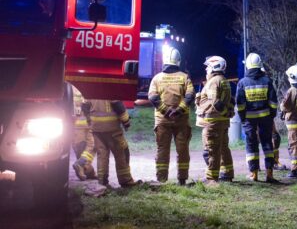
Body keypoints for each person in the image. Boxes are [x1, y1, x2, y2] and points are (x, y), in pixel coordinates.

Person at [148, 47, 195, 185]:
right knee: (183, 150)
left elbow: (152, 97)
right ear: (178, 61)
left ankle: (162, 180)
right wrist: (179, 110)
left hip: (163, 120)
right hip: (181, 121)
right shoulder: (184, 77)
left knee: (162, 150)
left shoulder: (157, 78)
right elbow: (190, 95)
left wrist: (166, 111)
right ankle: (182, 180)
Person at [236, 53, 278, 182]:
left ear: (248, 66)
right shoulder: (267, 80)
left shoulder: (243, 82)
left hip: (249, 119)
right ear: (260, 65)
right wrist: (272, 114)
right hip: (265, 117)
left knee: (251, 145)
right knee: (267, 144)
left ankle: (254, 174)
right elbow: (273, 101)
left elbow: (240, 104)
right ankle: (269, 174)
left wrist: (243, 117)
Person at [195, 56, 234, 183]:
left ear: (214, 67)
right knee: (223, 148)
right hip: (221, 121)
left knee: (211, 149)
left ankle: (211, 178)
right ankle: (227, 173)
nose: (206, 69)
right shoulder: (224, 80)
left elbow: (215, 102)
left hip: (213, 122)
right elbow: (231, 100)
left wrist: (225, 112)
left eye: (208, 66)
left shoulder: (213, 81)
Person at [82, 99, 138, 187]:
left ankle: (102, 181)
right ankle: (126, 181)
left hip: (96, 128)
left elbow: (84, 106)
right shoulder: (111, 88)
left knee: (102, 155)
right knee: (121, 153)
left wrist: (90, 120)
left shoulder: (92, 89)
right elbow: (118, 105)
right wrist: (126, 122)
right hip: (112, 128)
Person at [71, 85, 97, 181]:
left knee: (80, 148)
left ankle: (88, 172)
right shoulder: (89, 84)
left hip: (75, 123)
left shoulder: (69, 85)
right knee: (93, 145)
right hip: (89, 121)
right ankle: (81, 165)